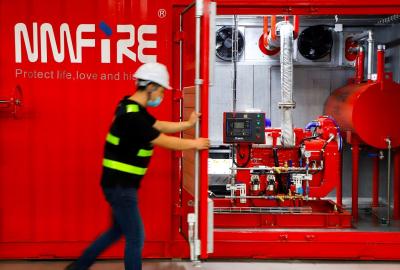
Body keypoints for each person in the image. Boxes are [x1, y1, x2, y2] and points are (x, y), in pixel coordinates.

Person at [65, 62, 210, 270]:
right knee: (136, 237)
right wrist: (195, 144)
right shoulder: (133, 117)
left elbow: (157, 125)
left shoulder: (129, 107)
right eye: (160, 90)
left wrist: (186, 125)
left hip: (116, 184)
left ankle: (78, 268)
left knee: (116, 231)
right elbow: (164, 140)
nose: (161, 95)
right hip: (121, 187)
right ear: (150, 87)